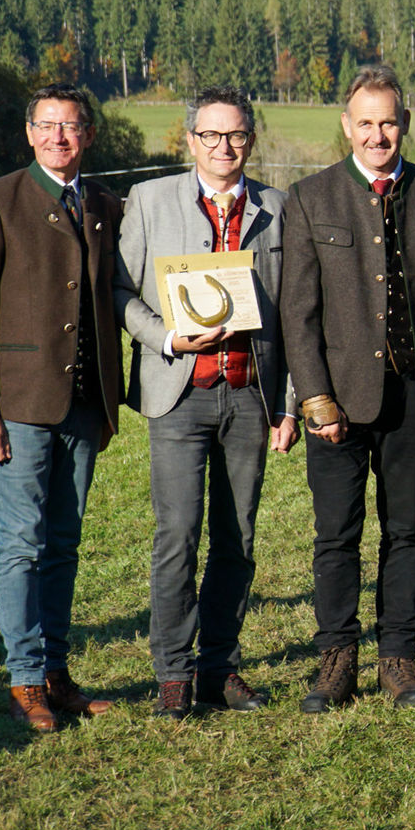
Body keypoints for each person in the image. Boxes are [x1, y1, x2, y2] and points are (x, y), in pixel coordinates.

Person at [112, 87, 298, 719]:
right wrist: (164, 336)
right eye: (212, 136)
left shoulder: (277, 207)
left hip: (249, 395)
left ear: (251, 138)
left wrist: (291, 403)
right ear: (190, 139)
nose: (225, 147)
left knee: (238, 539)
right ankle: (173, 671)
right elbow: (119, 290)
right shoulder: (150, 200)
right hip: (178, 394)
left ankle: (219, 666)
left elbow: (296, 313)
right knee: (178, 536)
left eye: (237, 135)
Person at [282, 65, 415, 711]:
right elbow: (296, 312)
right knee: (336, 535)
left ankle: (398, 656)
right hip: (337, 400)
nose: (378, 133)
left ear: (404, 123)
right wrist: (313, 396)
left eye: (388, 121)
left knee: (406, 530)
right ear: (346, 126)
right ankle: (336, 659)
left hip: (413, 396)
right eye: (366, 122)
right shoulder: (310, 198)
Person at [0, 84, 123, 732]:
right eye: (47, 125)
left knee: (63, 544)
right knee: (22, 542)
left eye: (71, 125)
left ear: (88, 134)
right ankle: (24, 679)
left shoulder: (104, 204)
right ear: (29, 134)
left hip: (83, 405)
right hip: (18, 406)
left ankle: (55, 672)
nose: (59, 136)